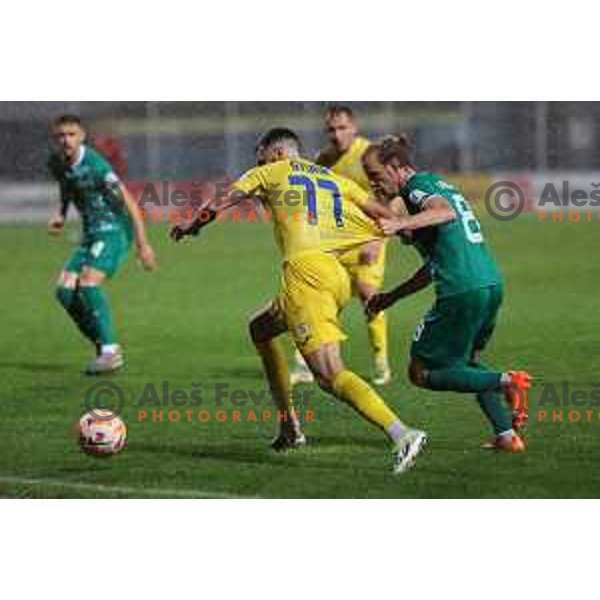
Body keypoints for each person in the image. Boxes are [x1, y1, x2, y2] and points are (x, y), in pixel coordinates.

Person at [171, 127, 427, 474]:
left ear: (276, 154)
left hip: (306, 276)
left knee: (329, 375)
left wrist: (192, 226)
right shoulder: (332, 178)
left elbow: (218, 202)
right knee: (260, 329)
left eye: (260, 156)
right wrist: (414, 230)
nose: (257, 163)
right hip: (333, 273)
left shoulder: (270, 172)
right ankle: (289, 427)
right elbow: (384, 215)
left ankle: (402, 433)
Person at [366, 136, 531, 451]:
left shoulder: (417, 186)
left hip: (461, 289)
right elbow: (430, 269)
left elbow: (444, 212)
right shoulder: (436, 188)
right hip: (489, 283)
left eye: (376, 176)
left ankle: (508, 381)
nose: (374, 185)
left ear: (395, 167)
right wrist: (389, 298)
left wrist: (400, 222)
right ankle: (507, 435)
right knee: (467, 361)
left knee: (420, 371)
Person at [289, 105, 393, 387]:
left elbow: (390, 196)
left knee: (369, 296)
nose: (336, 135)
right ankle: (304, 364)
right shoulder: (324, 158)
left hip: (368, 238)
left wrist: (377, 238)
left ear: (354, 127)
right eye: (331, 129)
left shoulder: (369, 154)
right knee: (318, 296)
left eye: (342, 128)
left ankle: (381, 362)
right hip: (336, 242)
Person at [48, 114, 157, 375]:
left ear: (82, 136)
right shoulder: (57, 163)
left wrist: (143, 244)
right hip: (90, 235)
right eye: (61, 135)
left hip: (113, 232)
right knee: (64, 291)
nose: (66, 140)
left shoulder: (97, 166)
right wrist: (62, 214)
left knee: (87, 282)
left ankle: (110, 352)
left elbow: (130, 203)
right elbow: (68, 187)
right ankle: (101, 342)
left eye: (71, 134)